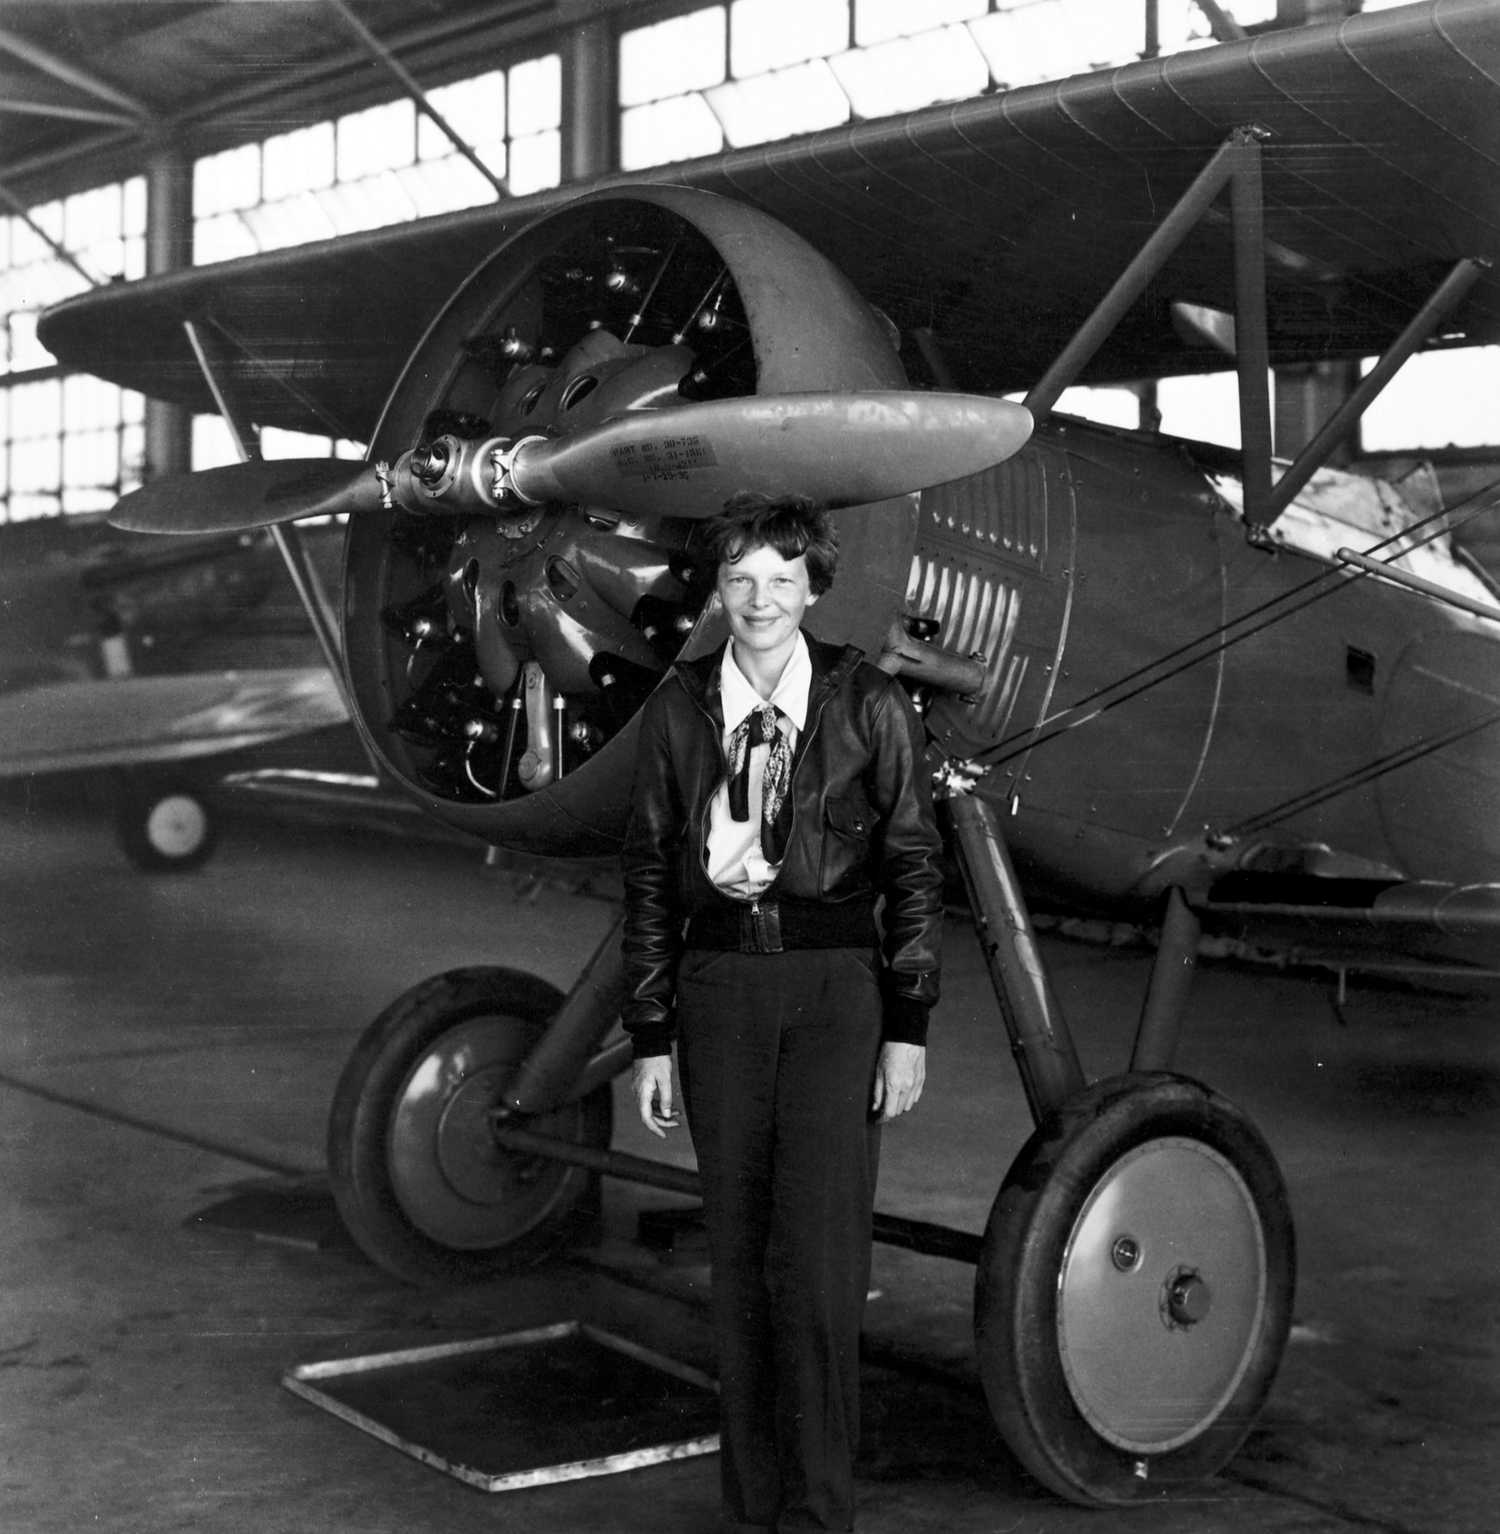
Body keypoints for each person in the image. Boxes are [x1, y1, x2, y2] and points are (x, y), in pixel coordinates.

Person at [621, 498, 944, 1533]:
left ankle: (818, 1515)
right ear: (718, 591)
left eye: (781, 579)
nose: (760, 601)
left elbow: (912, 867)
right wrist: (652, 1033)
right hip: (718, 993)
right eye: (740, 580)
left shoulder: (870, 702)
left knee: (816, 1266)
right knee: (741, 1264)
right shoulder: (678, 707)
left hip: (832, 995)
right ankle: (751, 1509)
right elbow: (650, 879)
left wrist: (908, 1023)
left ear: (814, 589)